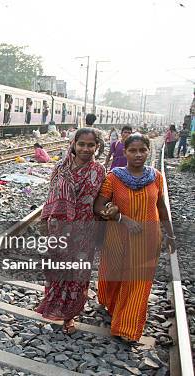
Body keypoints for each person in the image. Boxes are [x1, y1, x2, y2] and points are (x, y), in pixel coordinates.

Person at [94, 133, 175, 342]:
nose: (138, 155)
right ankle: (112, 305)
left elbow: (161, 206)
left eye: (142, 150)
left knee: (138, 282)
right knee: (114, 276)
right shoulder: (114, 177)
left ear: (148, 151)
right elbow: (99, 206)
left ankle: (126, 327)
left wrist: (171, 234)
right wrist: (121, 218)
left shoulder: (156, 177)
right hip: (117, 236)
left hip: (147, 238)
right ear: (125, 152)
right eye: (133, 150)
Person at [35, 127, 106, 335]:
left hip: (85, 231)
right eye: (81, 144)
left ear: (97, 147)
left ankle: (69, 316)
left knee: (77, 274)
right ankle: (52, 303)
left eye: (90, 145)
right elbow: (51, 196)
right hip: (58, 228)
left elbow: (100, 202)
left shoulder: (99, 171)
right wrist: (44, 222)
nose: (85, 148)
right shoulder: (60, 167)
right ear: (73, 144)